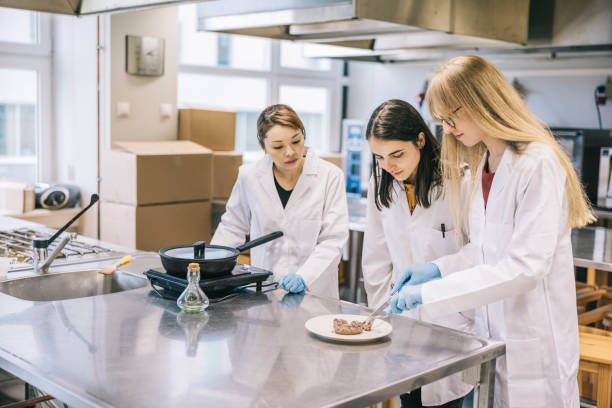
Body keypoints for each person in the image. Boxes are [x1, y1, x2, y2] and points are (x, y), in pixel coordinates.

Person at [389, 55, 594, 407]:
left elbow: (525, 267)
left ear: (481, 102)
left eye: (452, 117)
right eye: (443, 122)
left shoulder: (536, 163)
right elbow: (486, 250)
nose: (449, 129)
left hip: (532, 344)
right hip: (491, 340)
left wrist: (433, 293)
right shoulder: (484, 162)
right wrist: (438, 268)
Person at [362, 99, 473, 408]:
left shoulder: (459, 181)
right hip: (400, 322)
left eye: (397, 154)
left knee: (448, 399)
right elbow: (375, 259)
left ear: (420, 140)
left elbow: (480, 250)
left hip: (450, 320)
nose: (389, 165)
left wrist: (438, 271)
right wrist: (383, 317)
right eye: (380, 157)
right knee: (409, 398)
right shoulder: (381, 184)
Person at [212, 104, 348, 299]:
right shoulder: (249, 176)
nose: (290, 152)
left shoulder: (330, 176)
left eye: (296, 141)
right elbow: (232, 226)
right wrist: (212, 267)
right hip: (265, 289)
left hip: (315, 291)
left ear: (303, 135)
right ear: (263, 147)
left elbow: (333, 239)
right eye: (278, 146)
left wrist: (304, 277)